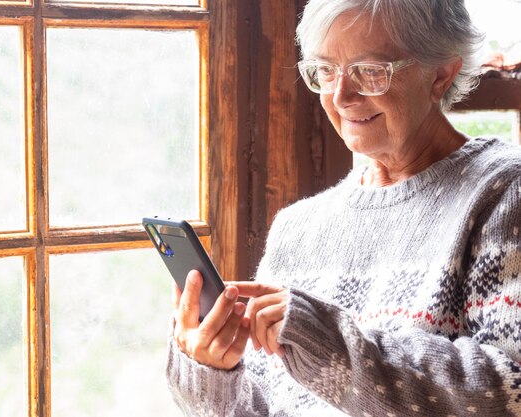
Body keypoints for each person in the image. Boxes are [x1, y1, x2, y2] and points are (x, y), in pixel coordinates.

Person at [166, 0, 521, 416]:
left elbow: (509, 389)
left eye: (370, 71)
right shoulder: (298, 229)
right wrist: (209, 370)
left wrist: (327, 342)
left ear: (441, 74)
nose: (341, 95)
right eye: (326, 70)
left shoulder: (503, 194)